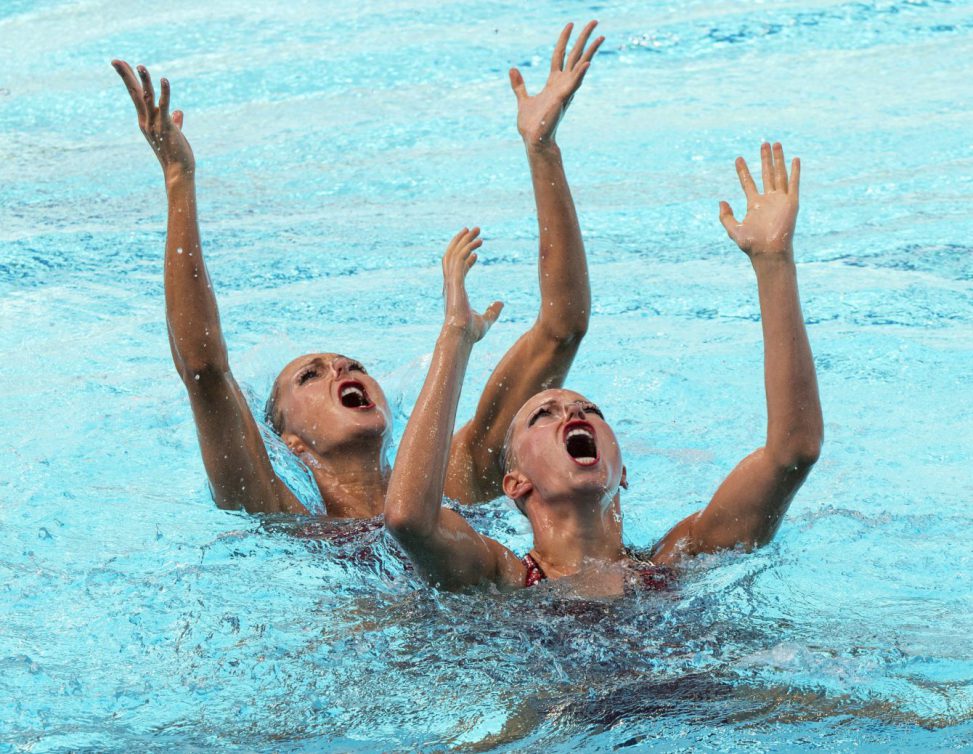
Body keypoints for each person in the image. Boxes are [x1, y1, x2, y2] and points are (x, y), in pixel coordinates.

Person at [110, 21, 604, 517]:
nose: (341, 369)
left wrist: (544, 152)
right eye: (309, 376)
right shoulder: (276, 509)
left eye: (353, 366)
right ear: (292, 443)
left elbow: (562, 329)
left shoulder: (452, 479)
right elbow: (204, 371)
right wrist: (179, 178)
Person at [386, 143, 823, 593]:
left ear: (624, 471)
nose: (573, 414)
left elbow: (793, 453)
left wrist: (775, 264)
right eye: (543, 415)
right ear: (514, 483)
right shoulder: (502, 578)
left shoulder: (682, 556)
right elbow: (409, 520)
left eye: (590, 409)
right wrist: (455, 339)